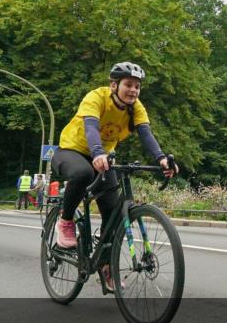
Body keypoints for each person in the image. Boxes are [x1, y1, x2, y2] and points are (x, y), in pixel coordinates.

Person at [50, 62, 178, 289]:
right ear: (113, 85)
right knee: (82, 172)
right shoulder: (96, 97)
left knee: (114, 212)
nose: (133, 90)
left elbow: (146, 135)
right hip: (71, 151)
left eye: (137, 86)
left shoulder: (136, 107)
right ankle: (66, 221)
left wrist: (162, 159)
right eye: (128, 84)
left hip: (104, 158)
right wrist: (98, 152)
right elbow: (91, 127)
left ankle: (105, 265)